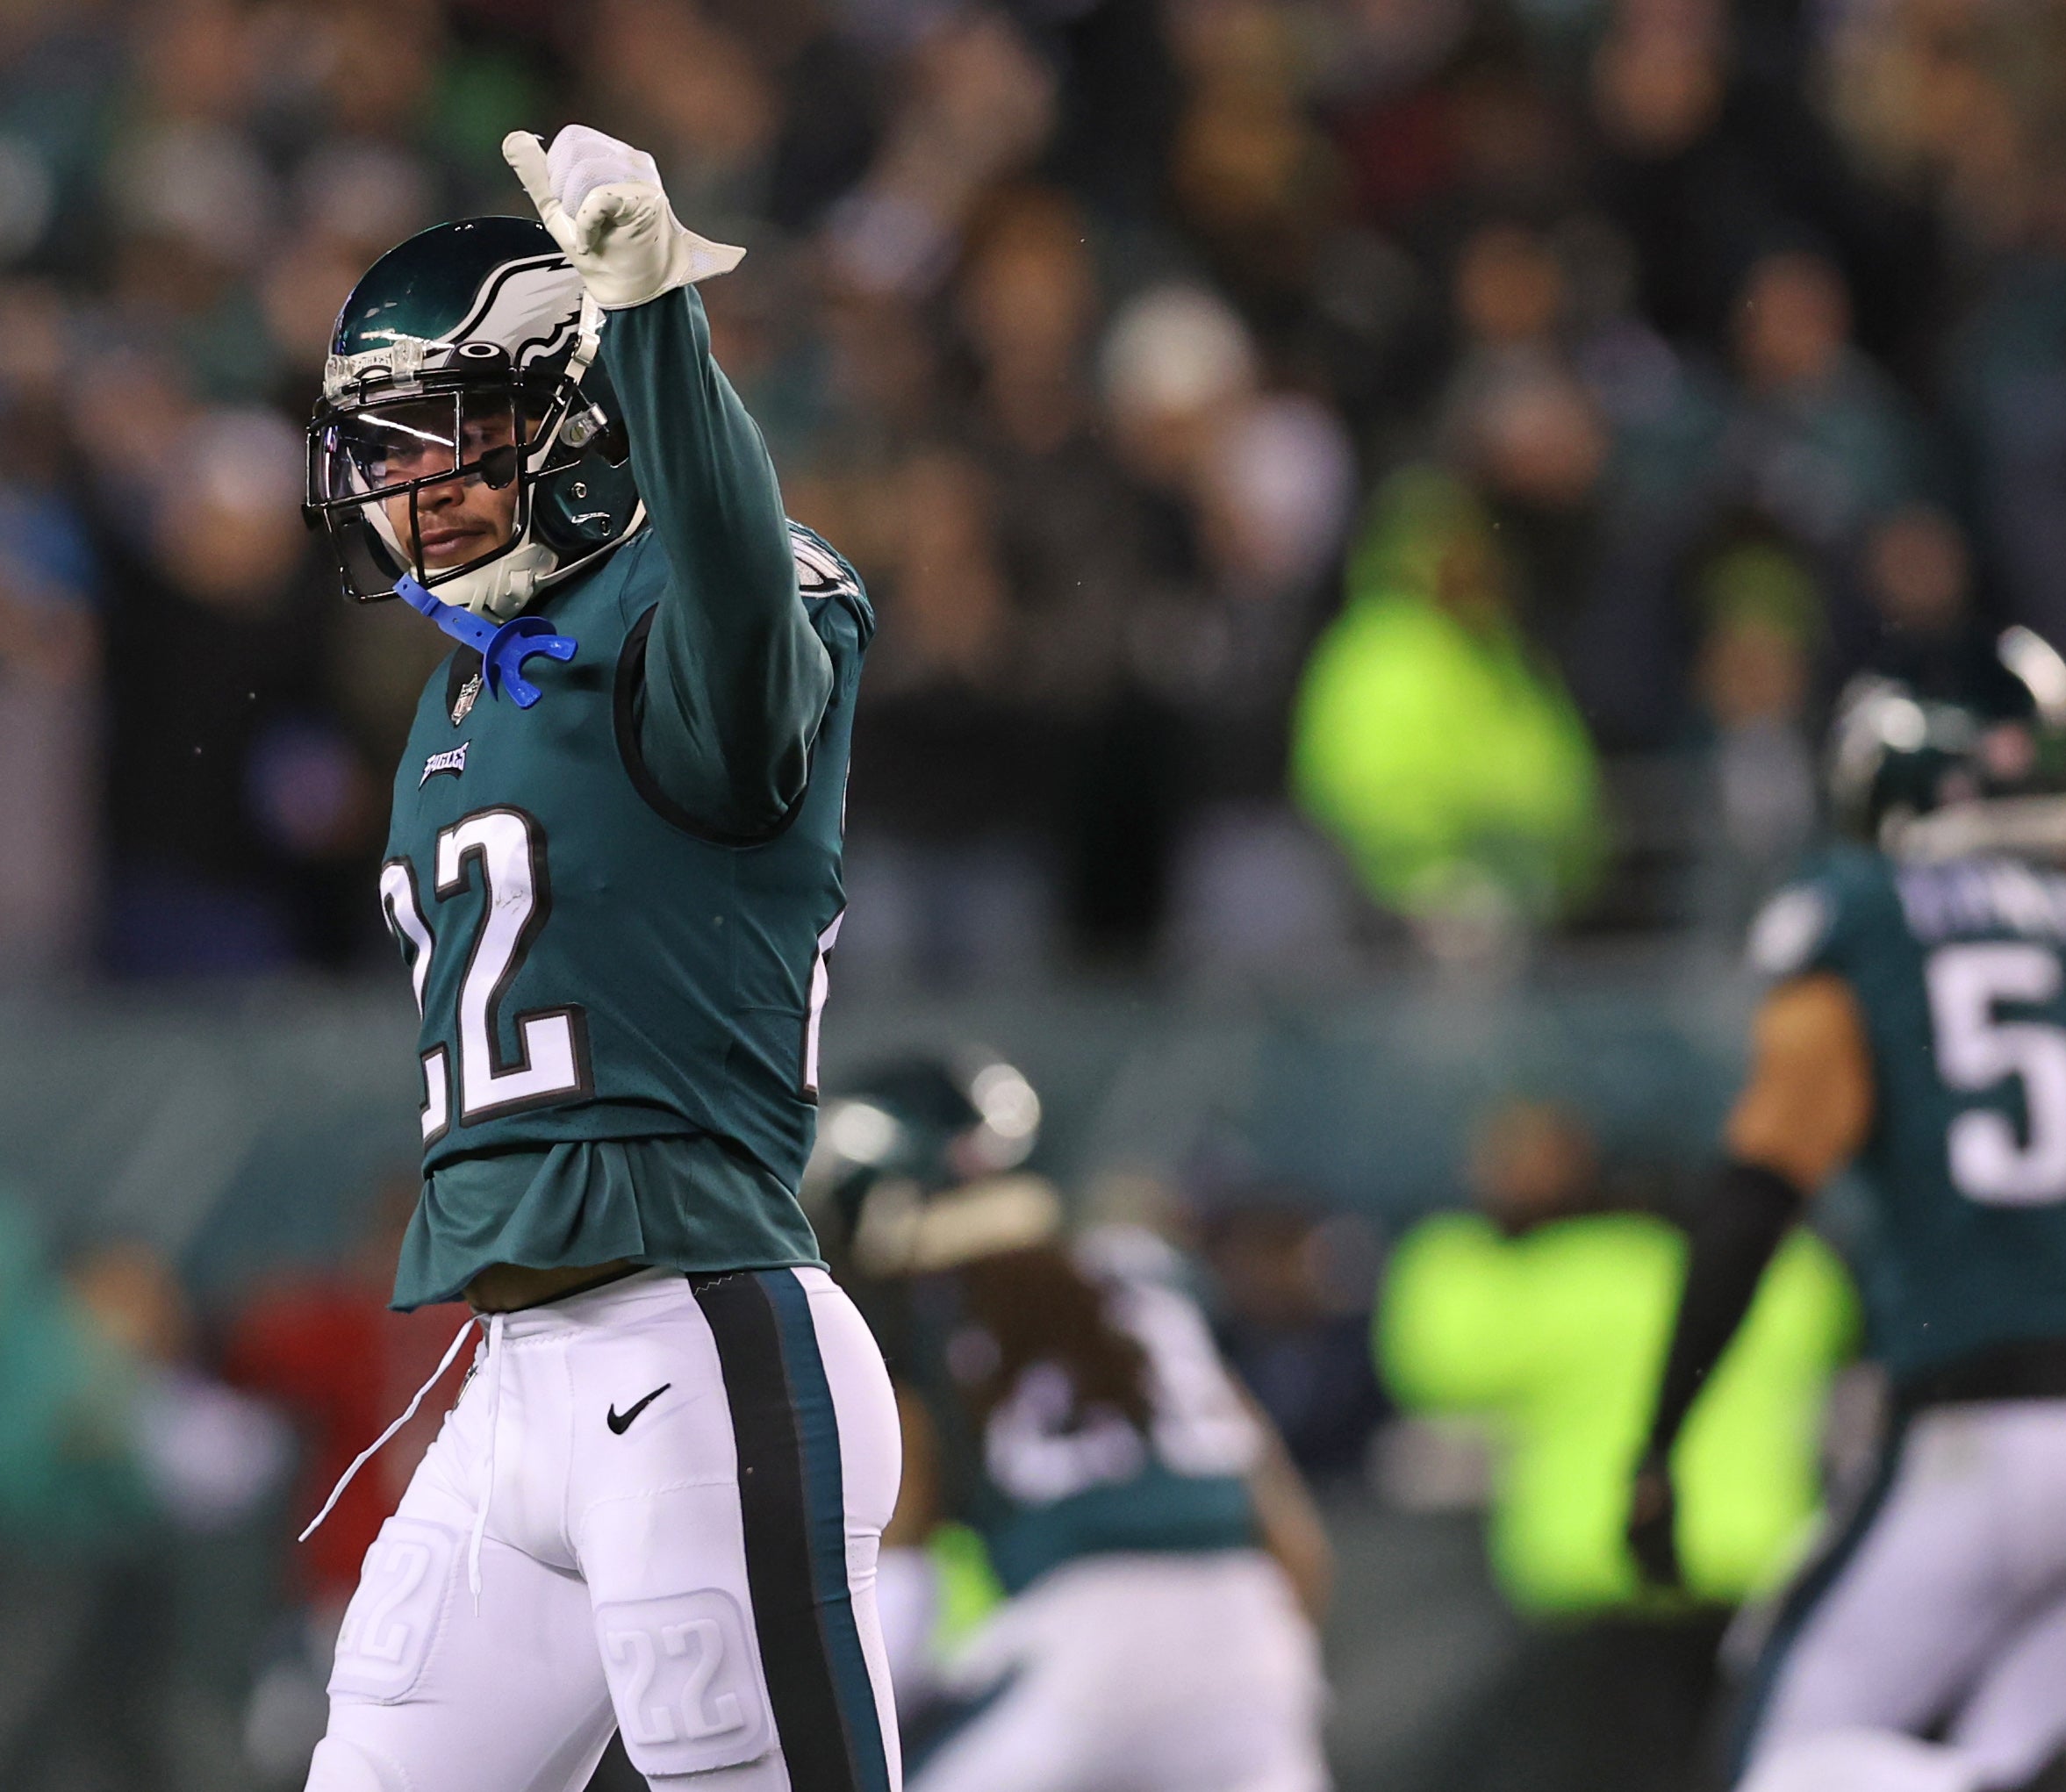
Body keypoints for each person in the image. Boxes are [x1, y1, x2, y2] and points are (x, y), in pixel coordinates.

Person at [292, 127, 900, 1792]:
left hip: (696, 1333)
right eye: (386, 447)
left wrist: (655, 323)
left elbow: (730, 588)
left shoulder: (718, 604)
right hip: (513, 1372)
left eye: (453, 439)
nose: (409, 488)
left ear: (576, 425)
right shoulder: (469, 681)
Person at [1626, 629, 2066, 1792]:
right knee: (2055, 1748)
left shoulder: (1873, 924)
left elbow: (1754, 1196)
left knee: (1777, 1766)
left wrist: (1660, 1437)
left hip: (1983, 1430)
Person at [807, 1055, 1332, 1792]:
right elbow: (1296, 1542)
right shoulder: (1141, 1278)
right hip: (1253, 1626)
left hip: (1086, 1641)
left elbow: (902, 1576)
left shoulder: (919, 1313)